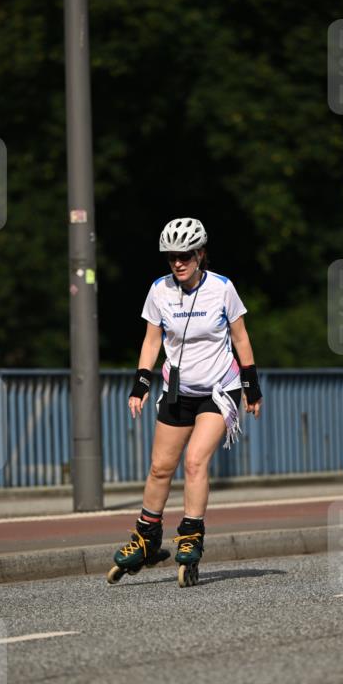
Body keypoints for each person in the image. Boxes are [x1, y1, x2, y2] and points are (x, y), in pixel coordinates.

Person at [107, 217, 263, 587]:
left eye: (185, 256)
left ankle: (191, 536)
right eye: (171, 257)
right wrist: (140, 384)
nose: (178, 263)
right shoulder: (159, 290)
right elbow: (152, 341)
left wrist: (251, 386)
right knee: (160, 467)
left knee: (194, 462)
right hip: (177, 390)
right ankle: (147, 539)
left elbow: (240, 338)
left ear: (200, 254)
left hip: (218, 390)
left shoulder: (222, 288)